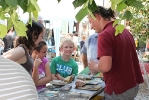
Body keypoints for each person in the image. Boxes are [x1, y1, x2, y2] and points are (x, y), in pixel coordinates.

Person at [88, 6, 144, 100]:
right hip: (132, 85)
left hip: (119, 89)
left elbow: (105, 67)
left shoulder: (105, 34)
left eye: (90, 22)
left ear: (97, 17)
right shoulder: (124, 30)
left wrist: (95, 66)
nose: (91, 27)